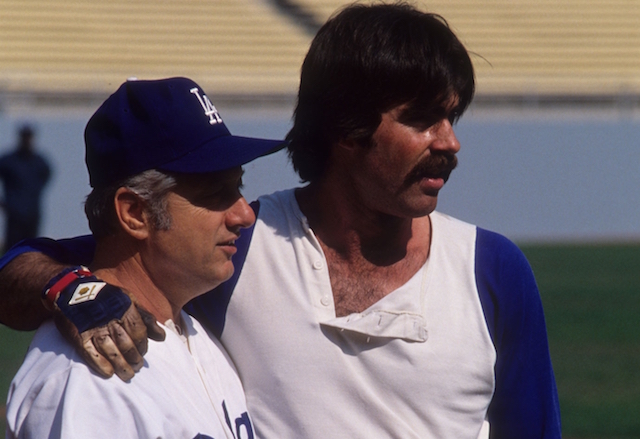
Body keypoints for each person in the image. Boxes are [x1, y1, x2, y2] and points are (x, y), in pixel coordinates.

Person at [0, 3, 562, 438]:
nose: (451, 142)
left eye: (452, 115)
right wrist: (65, 286)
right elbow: (37, 265)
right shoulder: (237, 250)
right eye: (421, 119)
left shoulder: (492, 272)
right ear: (346, 129)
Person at [4, 76, 284, 438]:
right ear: (135, 213)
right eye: (216, 193)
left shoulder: (198, 337)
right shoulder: (91, 376)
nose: (244, 214)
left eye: (238, 187)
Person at [0, 125, 51, 253]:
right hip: (14, 214)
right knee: (12, 250)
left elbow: (46, 177)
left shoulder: (40, 162)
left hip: (32, 213)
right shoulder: (8, 162)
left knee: (31, 250)